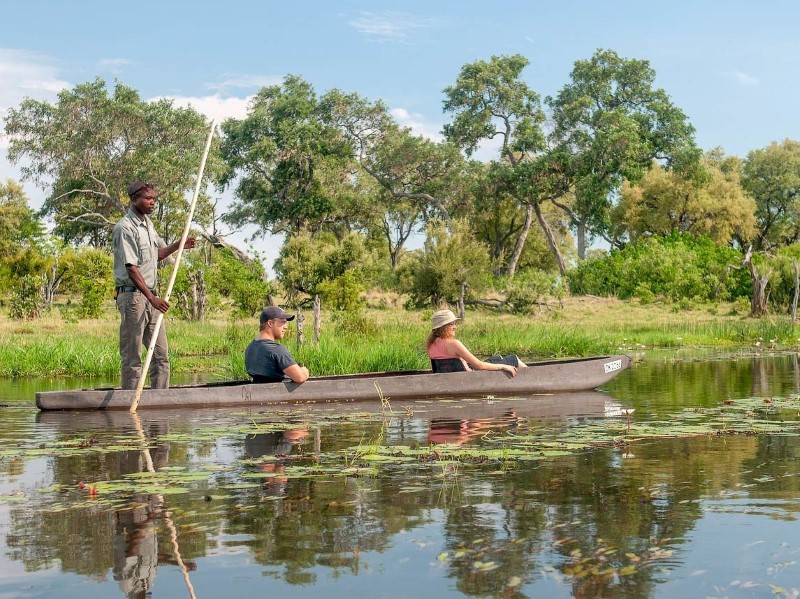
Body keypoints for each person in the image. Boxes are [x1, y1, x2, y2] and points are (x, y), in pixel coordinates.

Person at [113, 181, 195, 389]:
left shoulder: (147, 224)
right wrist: (151, 298)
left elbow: (156, 254)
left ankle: (159, 402)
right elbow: (131, 268)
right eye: (148, 199)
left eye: (154, 199)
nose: (152, 203)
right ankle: (130, 400)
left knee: (161, 356)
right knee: (133, 358)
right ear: (134, 200)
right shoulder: (125, 228)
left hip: (151, 298)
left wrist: (178, 245)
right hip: (134, 297)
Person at [426, 309, 527, 376]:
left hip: (455, 379)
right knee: (513, 359)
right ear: (443, 327)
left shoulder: (431, 344)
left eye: (455, 323)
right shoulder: (453, 344)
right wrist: (503, 366)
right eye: (451, 324)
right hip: (470, 378)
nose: (455, 327)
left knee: (496, 358)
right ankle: (534, 380)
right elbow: (479, 365)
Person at [245, 306, 310, 384]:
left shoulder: (251, 347)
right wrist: (304, 370)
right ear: (270, 323)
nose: (286, 327)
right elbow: (300, 377)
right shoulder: (276, 350)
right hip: (276, 394)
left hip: (259, 393)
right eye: (283, 322)